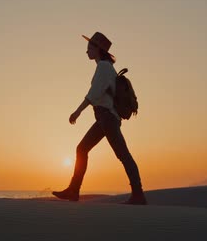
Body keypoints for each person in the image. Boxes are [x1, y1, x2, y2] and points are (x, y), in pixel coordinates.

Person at [52, 32, 147, 205]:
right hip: (104, 118)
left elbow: (94, 94)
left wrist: (77, 111)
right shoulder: (105, 67)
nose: (87, 51)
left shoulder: (103, 67)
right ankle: (74, 191)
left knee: (123, 154)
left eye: (89, 47)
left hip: (107, 117)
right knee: (82, 149)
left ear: (98, 49)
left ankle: (138, 194)